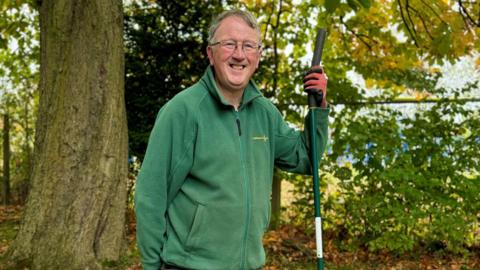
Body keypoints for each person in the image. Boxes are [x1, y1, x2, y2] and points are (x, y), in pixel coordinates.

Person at [135, 9, 329, 270]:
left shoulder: (265, 113)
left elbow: (306, 157)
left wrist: (319, 107)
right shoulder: (183, 111)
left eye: (248, 46)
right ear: (210, 54)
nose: (239, 54)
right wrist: (151, 266)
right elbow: (151, 196)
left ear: (258, 57)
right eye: (229, 44)